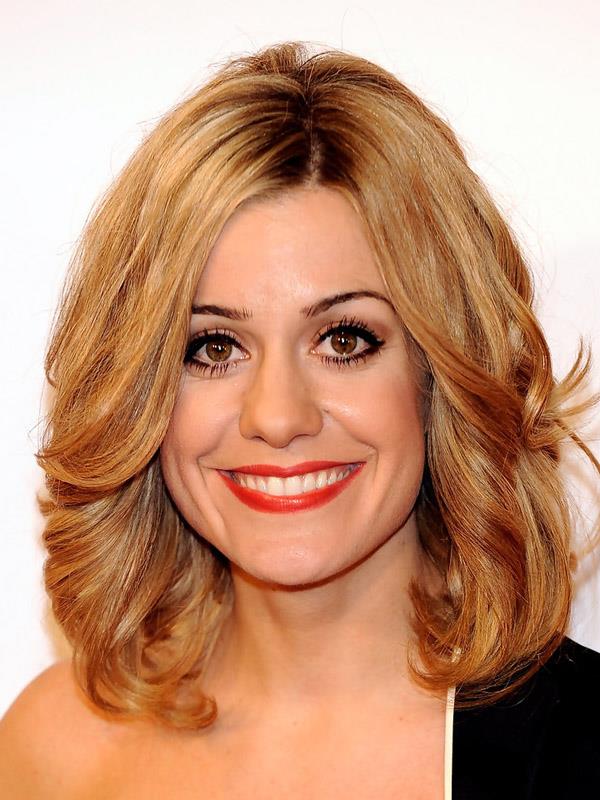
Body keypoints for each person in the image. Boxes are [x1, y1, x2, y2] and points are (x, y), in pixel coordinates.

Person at [0, 41, 599, 799]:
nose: (278, 418)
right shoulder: (52, 749)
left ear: (441, 373)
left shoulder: (582, 751)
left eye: (344, 340)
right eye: (214, 347)